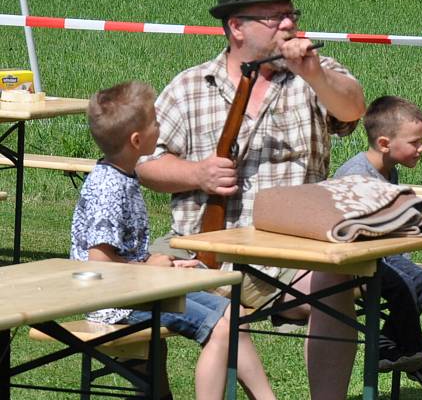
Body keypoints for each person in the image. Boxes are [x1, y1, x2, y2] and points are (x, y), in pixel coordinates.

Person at [136, 0, 367, 400]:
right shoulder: (188, 86)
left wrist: (313, 72)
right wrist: (196, 173)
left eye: (291, 14)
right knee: (136, 283)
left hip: (294, 251)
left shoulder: (315, 73)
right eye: (276, 15)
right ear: (237, 27)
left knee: (333, 280)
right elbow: (146, 164)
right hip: (205, 250)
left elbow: (352, 109)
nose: (289, 24)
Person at [70, 81, 275, 400]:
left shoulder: (124, 176)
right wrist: (151, 267)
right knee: (220, 330)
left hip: (138, 289)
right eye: (154, 122)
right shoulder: (107, 189)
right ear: (137, 140)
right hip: (115, 304)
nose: (160, 126)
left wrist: (168, 267)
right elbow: (99, 263)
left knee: (232, 315)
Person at [333, 95, 422, 392]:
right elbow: (351, 232)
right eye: (415, 142)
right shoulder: (357, 175)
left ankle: (390, 349)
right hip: (356, 260)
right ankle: (415, 356)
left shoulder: (388, 168)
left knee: (417, 280)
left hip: (383, 254)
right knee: (411, 280)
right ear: (385, 143)